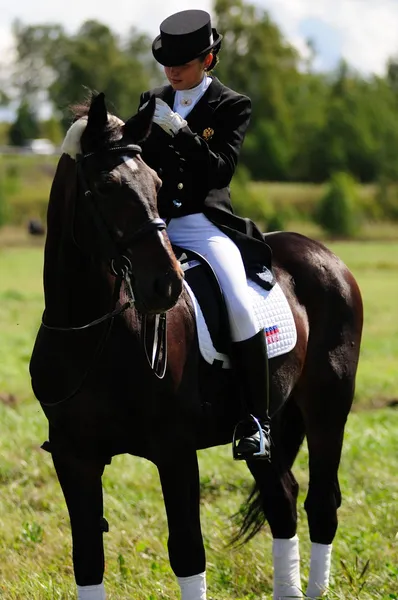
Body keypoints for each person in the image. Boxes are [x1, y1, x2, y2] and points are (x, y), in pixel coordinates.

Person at [139, 9, 275, 461]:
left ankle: (258, 420)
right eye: (167, 63)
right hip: (154, 223)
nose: (172, 71)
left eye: (182, 63)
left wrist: (179, 131)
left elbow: (221, 169)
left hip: (203, 223)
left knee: (237, 300)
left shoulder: (232, 105)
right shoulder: (151, 98)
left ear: (208, 59)